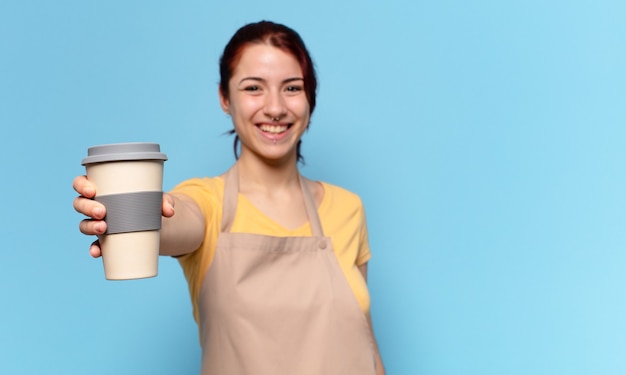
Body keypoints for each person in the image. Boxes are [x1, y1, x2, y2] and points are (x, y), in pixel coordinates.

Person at [73, 20, 385, 375]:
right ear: (225, 97)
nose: (275, 108)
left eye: (292, 88)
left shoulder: (349, 209)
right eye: (254, 88)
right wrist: (122, 214)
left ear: (310, 97)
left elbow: (366, 346)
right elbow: (173, 218)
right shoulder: (207, 201)